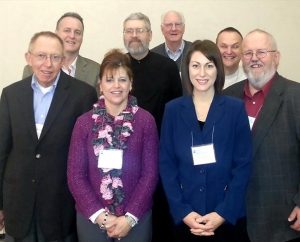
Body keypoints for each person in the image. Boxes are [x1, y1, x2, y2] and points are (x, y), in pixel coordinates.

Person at [0, 31, 97, 242]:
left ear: (62, 60)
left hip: (61, 206)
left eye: (55, 57)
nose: (48, 63)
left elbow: (89, 157)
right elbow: (2, 151)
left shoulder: (83, 95)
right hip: (18, 204)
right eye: (41, 56)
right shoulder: (10, 94)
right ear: (29, 58)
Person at [159, 39, 252, 242]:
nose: (202, 73)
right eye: (196, 65)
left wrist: (223, 213)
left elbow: (243, 165)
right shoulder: (173, 110)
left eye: (209, 66)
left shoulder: (235, 109)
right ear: (187, 70)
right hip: (185, 218)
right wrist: (183, 211)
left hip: (227, 217)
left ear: (218, 69)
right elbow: (167, 165)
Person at [67, 49, 159, 242]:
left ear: (131, 84)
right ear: (100, 84)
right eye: (109, 80)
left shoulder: (145, 121)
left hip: (136, 219)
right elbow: (75, 176)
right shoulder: (83, 123)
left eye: (122, 80)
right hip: (92, 219)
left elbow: (150, 174)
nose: (116, 86)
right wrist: (101, 216)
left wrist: (130, 217)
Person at [223, 29, 300, 242]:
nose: (254, 58)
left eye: (261, 52)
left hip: (282, 218)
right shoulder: (228, 98)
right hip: (234, 216)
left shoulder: (296, 96)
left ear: (276, 57)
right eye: (248, 53)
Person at [122, 12, 182, 242]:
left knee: (157, 216)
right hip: (122, 155)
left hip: (159, 154)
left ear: (150, 34)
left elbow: (177, 113)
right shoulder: (118, 67)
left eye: (139, 30)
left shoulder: (167, 67)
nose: (134, 36)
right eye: (129, 31)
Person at [22, 12, 100, 89]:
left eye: (77, 32)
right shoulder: (31, 69)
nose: (72, 36)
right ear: (56, 34)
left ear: (82, 37)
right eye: (67, 30)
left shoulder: (95, 70)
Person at [151, 10, 192, 94]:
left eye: (177, 24)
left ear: (184, 28)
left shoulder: (195, 51)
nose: (173, 28)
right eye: (169, 25)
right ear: (162, 29)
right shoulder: (153, 55)